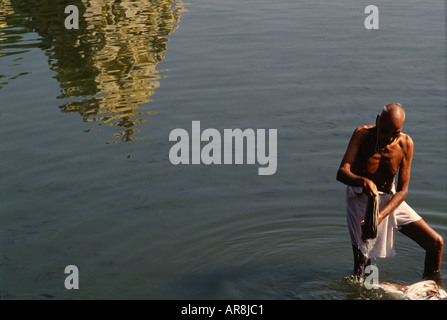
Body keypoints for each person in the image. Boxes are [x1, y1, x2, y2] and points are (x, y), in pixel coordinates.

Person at [336, 103, 443, 281]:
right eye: (385, 131)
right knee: (363, 266)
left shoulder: (406, 144)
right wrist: (362, 181)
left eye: (395, 133)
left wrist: (380, 216)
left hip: (390, 199)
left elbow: (402, 191)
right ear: (378, 121)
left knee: (435, 243)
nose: (389, 138)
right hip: (361, 198)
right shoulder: (362, 135)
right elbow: (342, 172)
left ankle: (430, 289)